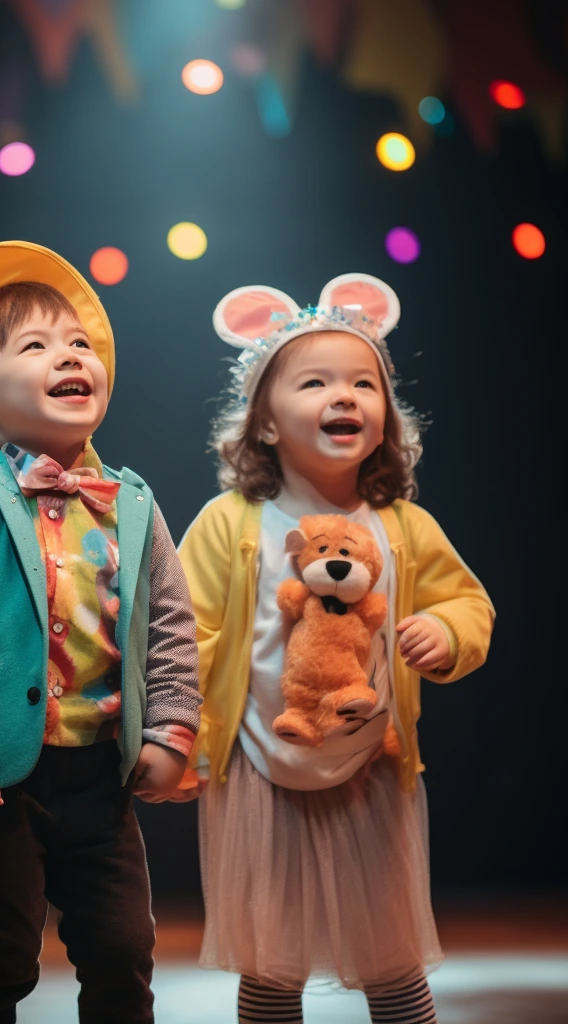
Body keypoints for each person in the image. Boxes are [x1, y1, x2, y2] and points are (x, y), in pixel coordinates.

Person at [176, 275, 494, 1024]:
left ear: (386, 417)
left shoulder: (402, 525)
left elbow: (468, 601)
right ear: (263, 423)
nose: (344, 397)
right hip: (258, 769)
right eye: (314, 382)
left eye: (363, 384)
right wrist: (183, 736)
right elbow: (182, 631)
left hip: (371, 767)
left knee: (392, 961)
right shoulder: (232, 522)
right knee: (270, 964)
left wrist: (445, 634)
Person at [0, 241, 201, 1023]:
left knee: (124, 949)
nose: (69, 355)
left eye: (78, 344)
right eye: (36, 346)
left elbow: (169, 625)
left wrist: (170, 730)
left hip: (101, 774)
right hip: (1, 776)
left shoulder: (131, 501)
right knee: (1, 955)